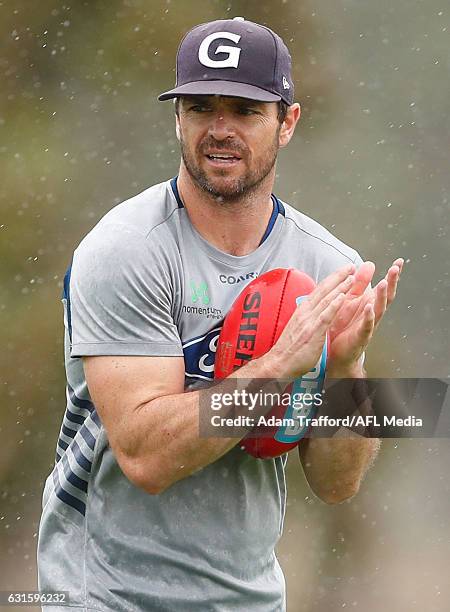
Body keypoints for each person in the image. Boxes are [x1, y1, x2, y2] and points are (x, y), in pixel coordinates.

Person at [37, 17, 403, 612]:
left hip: (248, 600)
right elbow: (147, 458)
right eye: (201, 107)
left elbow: (338, 484)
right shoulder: (126, 250)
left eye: (245, 110)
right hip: (102, 595)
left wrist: (346, 369)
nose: (220, 129)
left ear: (288, 123)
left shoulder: (329, 265)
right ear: (177, 118)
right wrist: (279, 366)